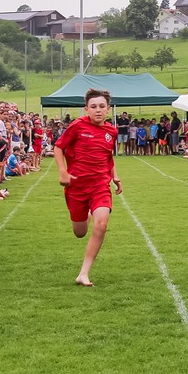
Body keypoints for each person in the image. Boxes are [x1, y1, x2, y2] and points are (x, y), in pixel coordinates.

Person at [54, 89, 122, 287]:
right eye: (93, 106)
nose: (98, 110)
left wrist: (114, 175)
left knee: (101, 224)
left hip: (100, 185)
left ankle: (84, 273)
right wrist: (63, 172)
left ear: (108, 109)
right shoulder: (77, 126)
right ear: (86, 109)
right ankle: (88, 212)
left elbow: (107, 156)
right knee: (80, 232)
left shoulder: (112, 132)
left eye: (102, 106)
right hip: (76, 187)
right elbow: (59, 147)